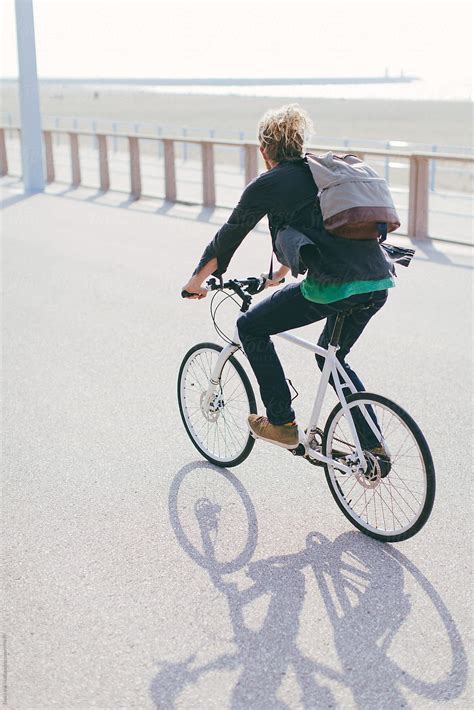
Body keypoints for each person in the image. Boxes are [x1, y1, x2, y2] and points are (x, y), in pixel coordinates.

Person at [181, 104, 394, 451]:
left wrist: (195, 282)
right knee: (331, 355)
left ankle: (281, 422)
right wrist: (279, 274)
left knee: (250, 326)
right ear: (298, 144)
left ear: (265, 149)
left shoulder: (267, 184)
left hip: (335, 284)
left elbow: (229, 235)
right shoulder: (322, 172)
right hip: (378, 278)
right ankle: (372, 447)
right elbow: (312, 228)